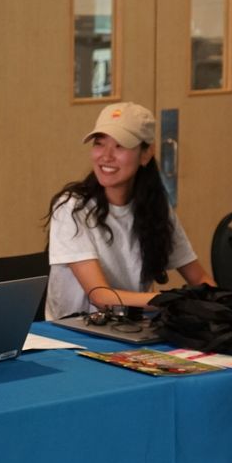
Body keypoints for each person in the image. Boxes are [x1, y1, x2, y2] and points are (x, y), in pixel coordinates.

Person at [45, 100, 210, 320]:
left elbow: (199, 278)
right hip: (74, 335)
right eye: (99, 143)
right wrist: (173, 300)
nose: (106, 156)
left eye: (120, 146)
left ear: (146, 154)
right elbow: (100, 297)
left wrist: (225, 306)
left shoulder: (157, 207)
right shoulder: (72, 208)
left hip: (133, 327)